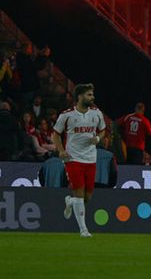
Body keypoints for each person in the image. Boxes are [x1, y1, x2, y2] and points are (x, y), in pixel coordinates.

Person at [53, 83, 107, 237]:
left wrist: (97, 138)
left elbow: (103, 130)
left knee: (87, 197)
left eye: (92, 94)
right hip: (73, 158)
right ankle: (83, 229)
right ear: (80, 97)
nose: (92, 97)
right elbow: (55, 134)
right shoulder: (67, 115)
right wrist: (61, 150)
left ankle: (70, 201)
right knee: (79, 193)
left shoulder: (96, 113)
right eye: (89, 95)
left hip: (91, 158)